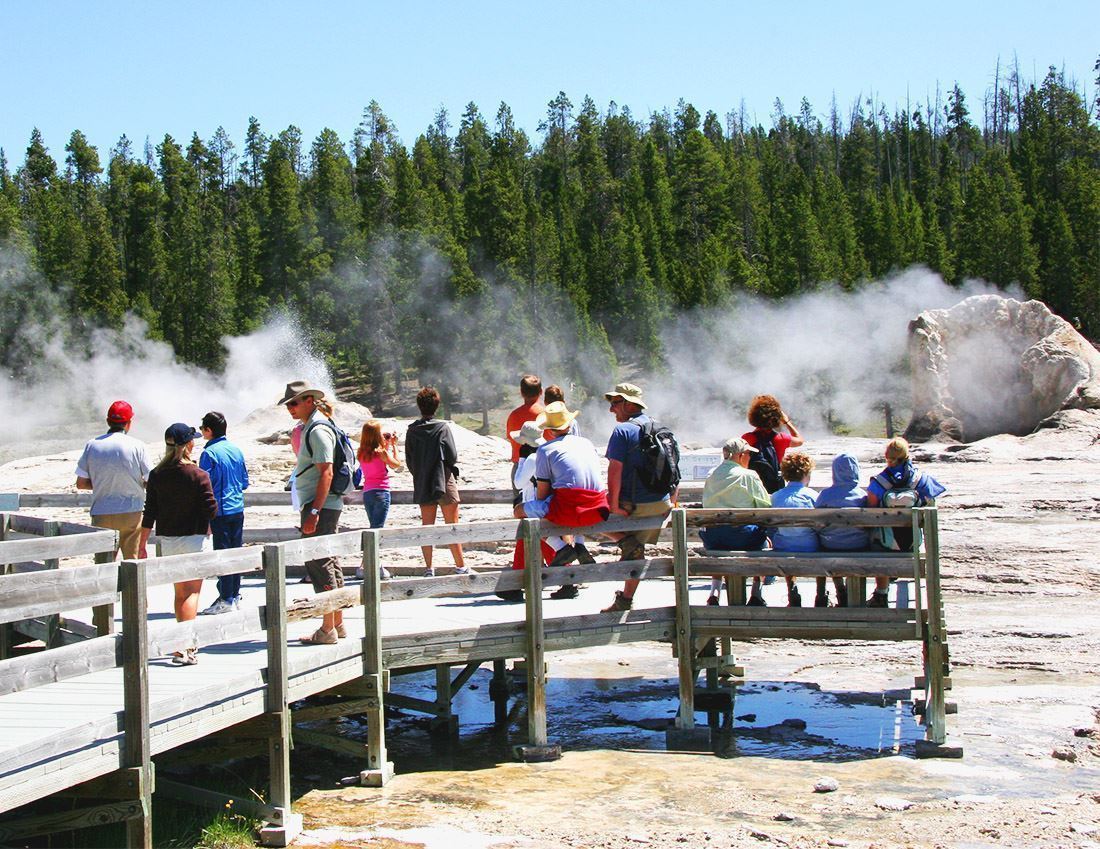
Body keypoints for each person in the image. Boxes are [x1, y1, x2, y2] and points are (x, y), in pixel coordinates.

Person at [139, 423, 217, 666]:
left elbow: (149, 512)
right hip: (194, 537)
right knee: (192, 592)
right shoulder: (198, 474)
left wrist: (142, 545)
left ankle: (181, 644)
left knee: (179, 592)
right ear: (189, 445)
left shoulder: (157, 474)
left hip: (169, 540)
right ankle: (187, 646)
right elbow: (211, 509)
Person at [517, 402, 609, 600]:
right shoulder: (587, 443)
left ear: (548, 431)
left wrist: (541, 508)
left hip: (571, 507)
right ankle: (580, 545)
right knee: (561, 502)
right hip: (599, 506)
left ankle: (563, 549)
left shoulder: (545, 450)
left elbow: (542, 490)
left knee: (521, 511)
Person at [280, 380, 346, 644]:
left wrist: (314, 511)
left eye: (294, 403)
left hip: (321, 505)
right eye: (288, 404)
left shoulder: (317, 429)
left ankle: (327, 628)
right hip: (323, 504)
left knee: (318, 562)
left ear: (309, 400)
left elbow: (326, 472)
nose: (290, 408)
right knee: (329, 560)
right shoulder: (315, 425)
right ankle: (337, 624)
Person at [601, 382, 675, 613]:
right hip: (661, 503)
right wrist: (671, 502)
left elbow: (615, 471)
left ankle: (625, 541)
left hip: (633, 505)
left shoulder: (623, 431)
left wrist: (613, 506)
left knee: (586, 513)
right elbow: (675, 469)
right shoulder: (662, 429)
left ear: (629, 404)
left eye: (615, 403)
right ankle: (625, 599)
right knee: (637, 548)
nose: (612, 409)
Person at [865, 437, 946, 607]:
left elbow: (870, 512)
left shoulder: (878, 483)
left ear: (887, 457)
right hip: (913, 542)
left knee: (873, 540)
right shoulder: (921, 480)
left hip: (886, 543)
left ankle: (881, 592)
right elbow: (930, 503)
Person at [406, 386, 471, 577]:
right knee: (452, 525)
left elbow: (409, 459)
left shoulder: (412, 430)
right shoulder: (442, 428)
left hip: (423, 480)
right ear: (437, 406)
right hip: (443, 479)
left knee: (427, 526)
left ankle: (429, 568)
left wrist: (420, 473)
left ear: (419, 406)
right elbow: (452, 455)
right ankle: (460, 566)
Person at [74, 400, 152, 560]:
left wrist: (102, 483)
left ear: (108, 421)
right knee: (133, 563)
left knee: (104, 567)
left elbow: (81, 483)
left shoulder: (92, 445)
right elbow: (151, 479)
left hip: (101, 511)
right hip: (131, 511)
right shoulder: (137, 446)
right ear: (129, 423)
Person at [698, 437, 771, 605]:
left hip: (714, 537)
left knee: (719, 549)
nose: (749, 458)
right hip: (742, 536)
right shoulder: (749, 476)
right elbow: (764, 506)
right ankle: (756, 593)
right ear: (739, 455)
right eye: (748, 455)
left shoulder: (712, 474)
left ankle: (714, 593)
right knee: (765, 543)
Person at [198, 412, 250, 615]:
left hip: (219, 510)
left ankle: (226, 598)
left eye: (203, 428)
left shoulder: (209, 454)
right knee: (235, 553)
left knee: (223, 555)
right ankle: (234, 595)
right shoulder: (236, 450)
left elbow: (205, 486)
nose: (202, 432)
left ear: (209, 430)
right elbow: (244, 481)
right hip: (237, 508)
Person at [500, 420, 556, 602]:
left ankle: (516, 584)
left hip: (532, 504)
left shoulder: (531, 458)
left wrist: (522, 459)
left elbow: (518, 482)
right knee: (544, 543)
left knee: (527, 541)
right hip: (543, 503)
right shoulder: (545, 453)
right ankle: (566, 576)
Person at [813, 453, 869, 608]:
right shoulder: (862, 495)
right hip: (859, 544)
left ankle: (837, 590)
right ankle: (851, 594)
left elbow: (816, 523)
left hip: (831, 544)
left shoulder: (825, 495)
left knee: (821, 544)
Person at [766, 452, 819, 608]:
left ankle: (792, 589)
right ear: (807, 474)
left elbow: (771, 528)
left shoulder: (775, 497)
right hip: (812, 547)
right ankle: (821, 593)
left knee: (783, 537)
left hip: (783, 548)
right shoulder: (812, 496)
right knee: (816, 538)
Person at [743, 394, 803, 494]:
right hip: (775, 487)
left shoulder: (747, 438)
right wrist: (787, 422)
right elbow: (800, 440)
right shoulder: (781, 438)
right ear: (777, 418)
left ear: (753, 416)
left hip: (754, 487)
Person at [357, 419, 402, 529]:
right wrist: (394, 445)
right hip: (381, 491)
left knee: (373, 525)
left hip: (367, 492)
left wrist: (385, 444)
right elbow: (396, 464)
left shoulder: (361, 452)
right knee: (377, 528)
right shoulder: (381, 452)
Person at [506, 374, 543, 490]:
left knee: (519, 505)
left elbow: (510, 438)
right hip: (542, 467)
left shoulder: (514, 415)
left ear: (521, 392)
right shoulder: (545, 415)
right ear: (541, 392)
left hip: (519, 467)